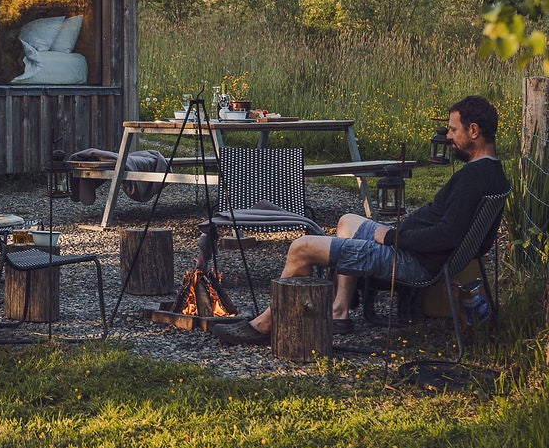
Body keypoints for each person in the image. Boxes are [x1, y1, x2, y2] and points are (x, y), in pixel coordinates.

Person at [211, 95, 511, 347]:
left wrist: (391, 238)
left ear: (473, 131)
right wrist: (393, 233)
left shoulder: (473, 179)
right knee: (347, 221)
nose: (448, 137)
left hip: (412, 261)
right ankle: (339, 311)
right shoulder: (492, 174)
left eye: (453, 130)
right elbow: (455, 234)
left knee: (301, 247)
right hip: (417, 250)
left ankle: (265, 324)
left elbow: (445, 235)